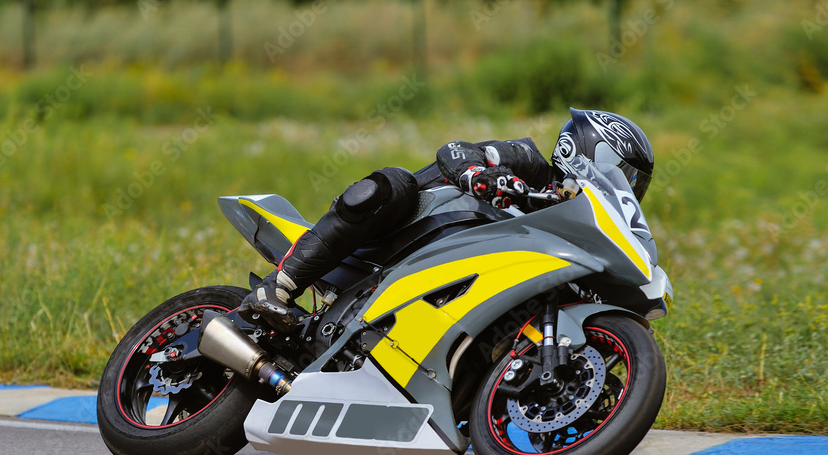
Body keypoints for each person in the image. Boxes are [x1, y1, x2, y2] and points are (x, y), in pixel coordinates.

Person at [239, 108, 655, 331]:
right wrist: (483, 175)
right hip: (402, 232)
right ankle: (280, 286)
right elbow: (456, 149)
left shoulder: (571, 225)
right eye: (624, 170)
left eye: (634, 180)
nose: (628, 184)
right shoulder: (528, 162)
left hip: (452, 282)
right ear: (588, 149)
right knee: (391, 184)